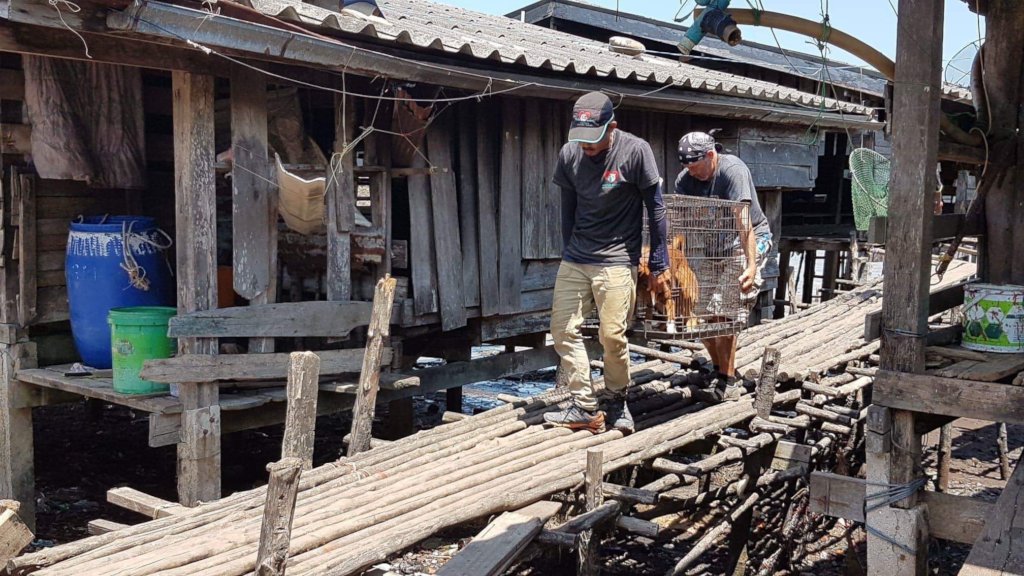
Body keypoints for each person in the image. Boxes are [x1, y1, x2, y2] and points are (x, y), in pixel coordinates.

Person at [543, 92, 670, 434]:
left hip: (617, 258)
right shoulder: (569, 154)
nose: (586, 147)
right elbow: (567, 207)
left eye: (593, 140)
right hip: (577, 257)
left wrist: (659, 260)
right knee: (562, 330)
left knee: (612, 334)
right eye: (581, 139)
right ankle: (583, 405)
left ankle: (616, 398)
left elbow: (656, 208)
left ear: (612, 127)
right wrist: (568, 249)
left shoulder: (635, 151)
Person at [674, 131, 773, 400]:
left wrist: (752, 266)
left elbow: (744, 223)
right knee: (703, 313)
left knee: (725, 311)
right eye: (686, 166)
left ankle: (728, 382)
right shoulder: (685, 180)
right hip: (712, 247)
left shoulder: (732, 171)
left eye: (694, 166)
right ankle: (721, 370)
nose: (690, 172)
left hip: (747, 242)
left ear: (710, 155)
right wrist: (674, 259)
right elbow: (680, 224)